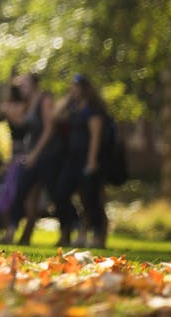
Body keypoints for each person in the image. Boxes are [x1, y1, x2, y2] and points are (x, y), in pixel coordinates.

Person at [51, 73, 110, 248]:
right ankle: (72, 225)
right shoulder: (74, 108)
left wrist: (91, 161)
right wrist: (67, 99)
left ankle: (98, 233)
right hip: (72, 159)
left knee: (90, 198)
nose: (73, 91)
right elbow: (55, 117)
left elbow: (95, 137)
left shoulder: (93, 110)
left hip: (88, 159)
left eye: (75, 88)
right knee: (60, 193)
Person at [0, 73, 57, 245]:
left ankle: (69, 229)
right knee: (21, 192)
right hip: (30, 156)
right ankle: (13, 231)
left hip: (46, 156)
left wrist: (35, 153)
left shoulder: (44, 100)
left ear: (34, 85)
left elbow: (49, 129)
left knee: (56, 194)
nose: (21, 89)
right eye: (20, 86)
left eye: (24, 85)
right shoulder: (28, 104)